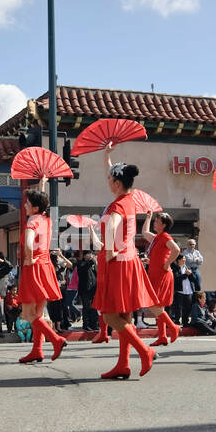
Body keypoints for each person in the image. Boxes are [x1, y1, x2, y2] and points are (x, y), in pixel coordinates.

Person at [92, 157, 158, 379]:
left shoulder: (118, 204)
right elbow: (114, 175)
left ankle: (144, 350)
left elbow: (111, 225)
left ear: (117, 183)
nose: (108, 182)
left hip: (118, 262)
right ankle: (123, 364)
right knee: (125, 316)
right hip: (130, 261)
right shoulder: (130, 199)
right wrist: (107, 157)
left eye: (110, 179)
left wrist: (109, 250)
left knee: (110, 316)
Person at [15, 189, 69, 362]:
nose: (25, 205)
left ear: (35, 207)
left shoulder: (32, 220)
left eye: (28, 203)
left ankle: (56, 339)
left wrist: (29, 259)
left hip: (34, 266)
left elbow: (29, 244)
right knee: (37, 313)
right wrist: (44, 183)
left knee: (28, 313)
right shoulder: (46, 220)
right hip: (46, 266)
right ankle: (37, 349)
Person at [140, 210, 181, 347]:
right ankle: (163, 336)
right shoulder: (157, 238)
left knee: (153, 304)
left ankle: (173, 327)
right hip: (155, 272)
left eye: (157, 221)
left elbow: (176, 250)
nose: (154, 223)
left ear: (163, 225)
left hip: (162, 274)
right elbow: (144, 232)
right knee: (159, 306)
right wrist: (148, 217)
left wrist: (167, 264)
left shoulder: (165, 237)